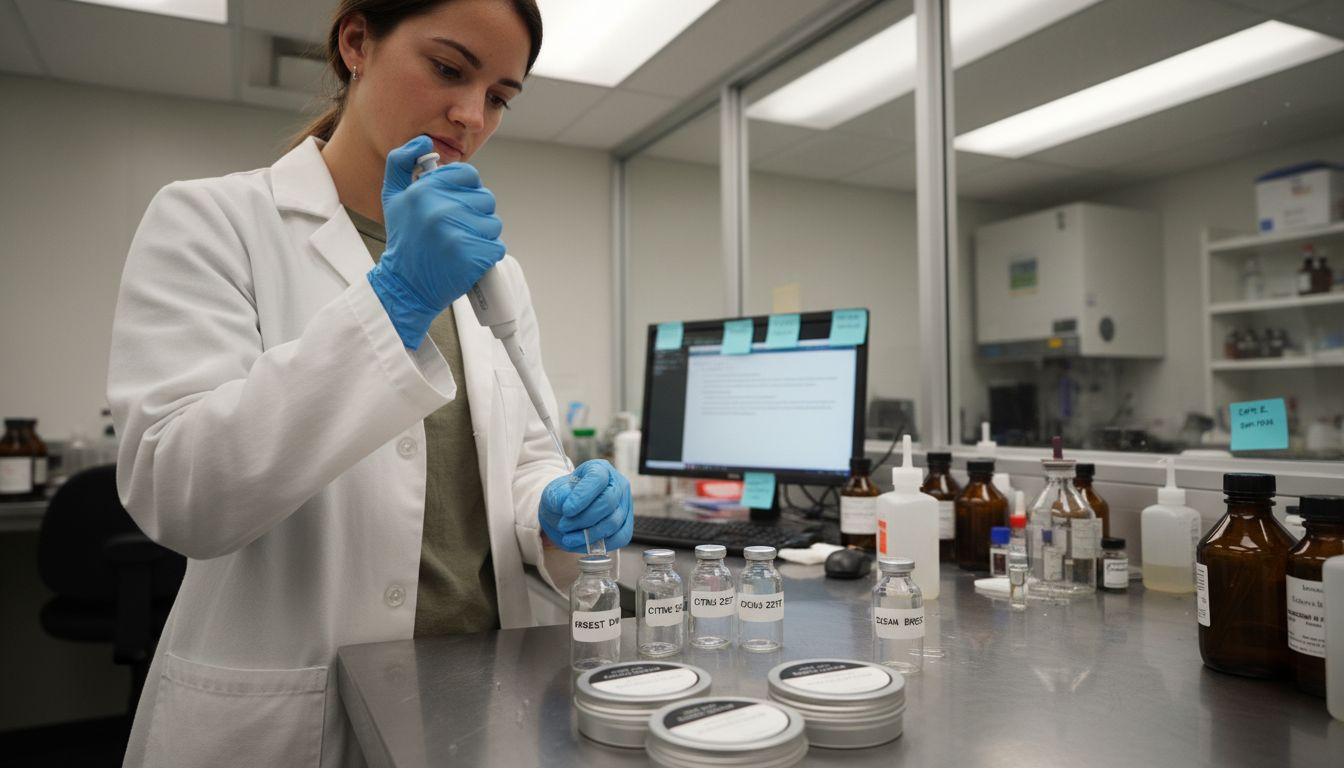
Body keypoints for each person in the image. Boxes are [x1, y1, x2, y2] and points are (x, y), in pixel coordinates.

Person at [106, 1, 632, 765]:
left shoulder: (495, 275)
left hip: (481, 696)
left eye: (498, 96)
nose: (470, 115)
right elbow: (179, 489)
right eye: (449, 69)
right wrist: (395, 304)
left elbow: (525, 454)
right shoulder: (213, 221)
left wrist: (550, 510)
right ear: (356, 42)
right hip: (300, 712)